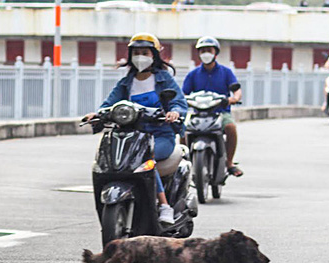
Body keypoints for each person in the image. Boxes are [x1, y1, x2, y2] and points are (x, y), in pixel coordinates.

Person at [84, 33, 187, 224]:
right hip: (131, 136)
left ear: (154, 55)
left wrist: (174, 113)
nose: (140, 56)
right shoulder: (126, 82)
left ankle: (164, 206)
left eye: (145, 52)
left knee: (145, 159)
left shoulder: (164, 79)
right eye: (136, 52)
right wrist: (97, 114)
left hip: (160, 136)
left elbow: (178, 102)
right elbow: (109, 103)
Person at [182, 36, 245, 178]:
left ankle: (229, 163)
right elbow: (183, 93)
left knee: (231, 127)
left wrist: (234, 98)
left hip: (220, 113)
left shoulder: (226, 72)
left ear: (215, 53)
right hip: (198, 114)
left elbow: (236, 89)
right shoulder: (193, 74)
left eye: (209, 50)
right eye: (202, 51)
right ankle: (184, 162)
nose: (206, 54)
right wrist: (180, 101)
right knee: (183, 131)